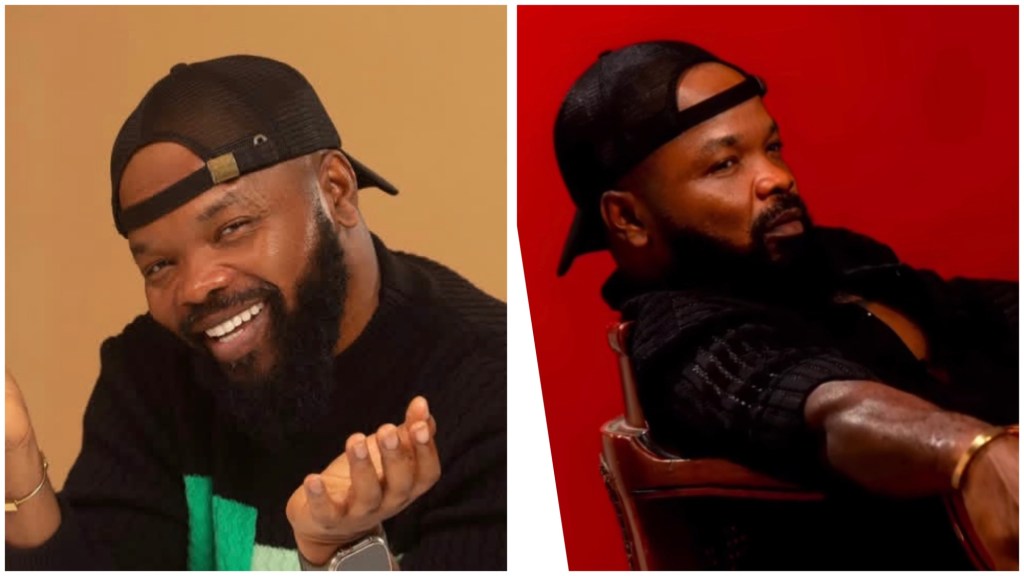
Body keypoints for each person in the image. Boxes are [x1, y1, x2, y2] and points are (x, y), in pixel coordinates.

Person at [5, 55, 506, 571]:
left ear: (336, 190)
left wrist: (346, 555)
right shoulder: (153, 373)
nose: (196, 287)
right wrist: (17, 468)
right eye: (159, 265)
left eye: (231, 228)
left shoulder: (492, 394)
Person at [553, 40, 1017, 570]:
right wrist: (970, 452)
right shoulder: (683, 334)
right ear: (630, 219)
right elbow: (831, 408)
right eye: (725, 163)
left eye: (771, 147)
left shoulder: (840, 261)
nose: (778, 177)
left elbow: (983, 309)